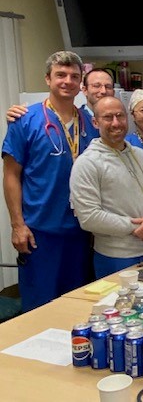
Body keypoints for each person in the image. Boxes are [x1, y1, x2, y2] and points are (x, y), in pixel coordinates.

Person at [2, 51, 94, 311]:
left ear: (80, 84)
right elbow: (11, 175)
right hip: (39, 233)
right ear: (47, 79)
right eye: (60, 75)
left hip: (82, 232)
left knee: (76, 307)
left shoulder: (91, 124)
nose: (67, 81)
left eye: (74, 76)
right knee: (39, 308)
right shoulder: (25, 120)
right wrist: (17, 225)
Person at [69, 97, 143, 277]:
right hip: (116, 257)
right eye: (108, 117)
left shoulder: (142, 156)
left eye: (120, 116)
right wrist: (137, 228)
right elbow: (89, 217)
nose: (116, 123)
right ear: (95, 122)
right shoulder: (87, 163)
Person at [5, 67, 115, 139]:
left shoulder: (118, 122)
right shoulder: (74, 120)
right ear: (84, 90)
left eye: (108, 87)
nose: (103, 91)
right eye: (96, 86)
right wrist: (19, 121)